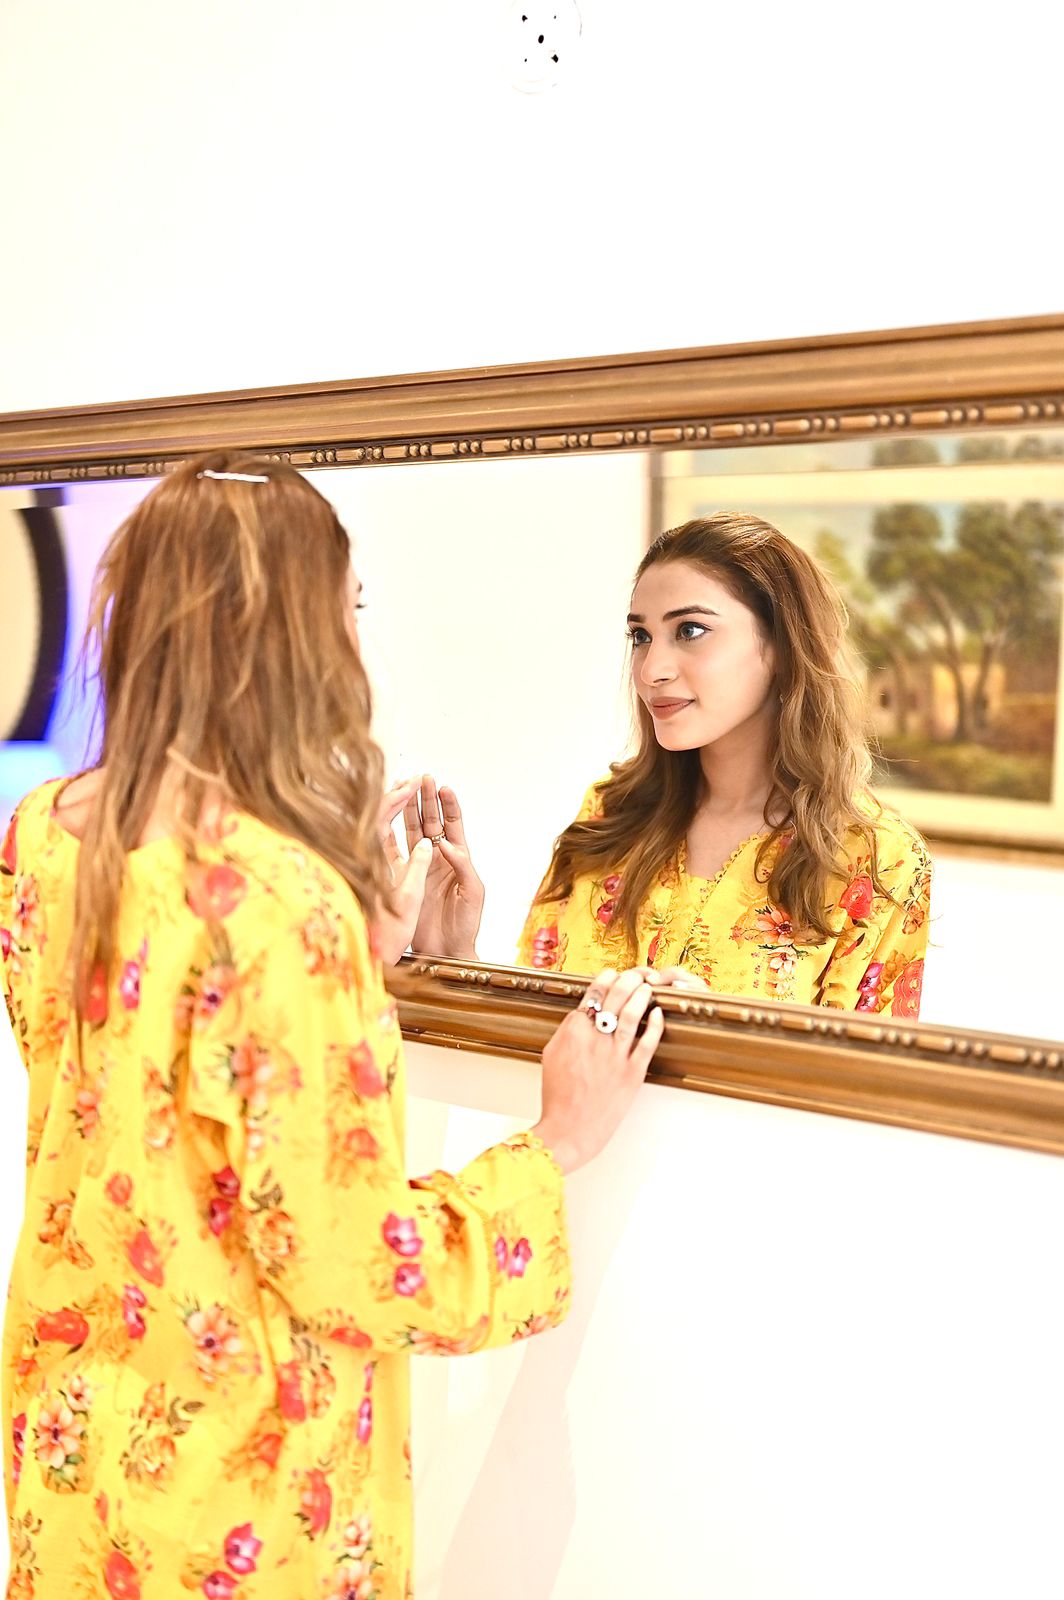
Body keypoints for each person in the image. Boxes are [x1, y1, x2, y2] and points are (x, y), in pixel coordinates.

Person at [0, 453, 663, 1600]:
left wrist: (359, 958)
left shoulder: (44, 834)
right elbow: (353, 1263)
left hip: (71, 1450)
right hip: (236, 1500)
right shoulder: (277, 899)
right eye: (349, 604)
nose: (360, 638)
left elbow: (147, 1099)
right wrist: (551, 1144)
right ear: (289, 628)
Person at [518, 513, 933, 1015]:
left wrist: (717, 1038)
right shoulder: (609, 814)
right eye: (641, 636)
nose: (652, 671)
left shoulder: (876, 858)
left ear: (781, 646)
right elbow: (528, 1025)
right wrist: (453, 953)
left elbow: (866, 1066)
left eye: (690, 630)